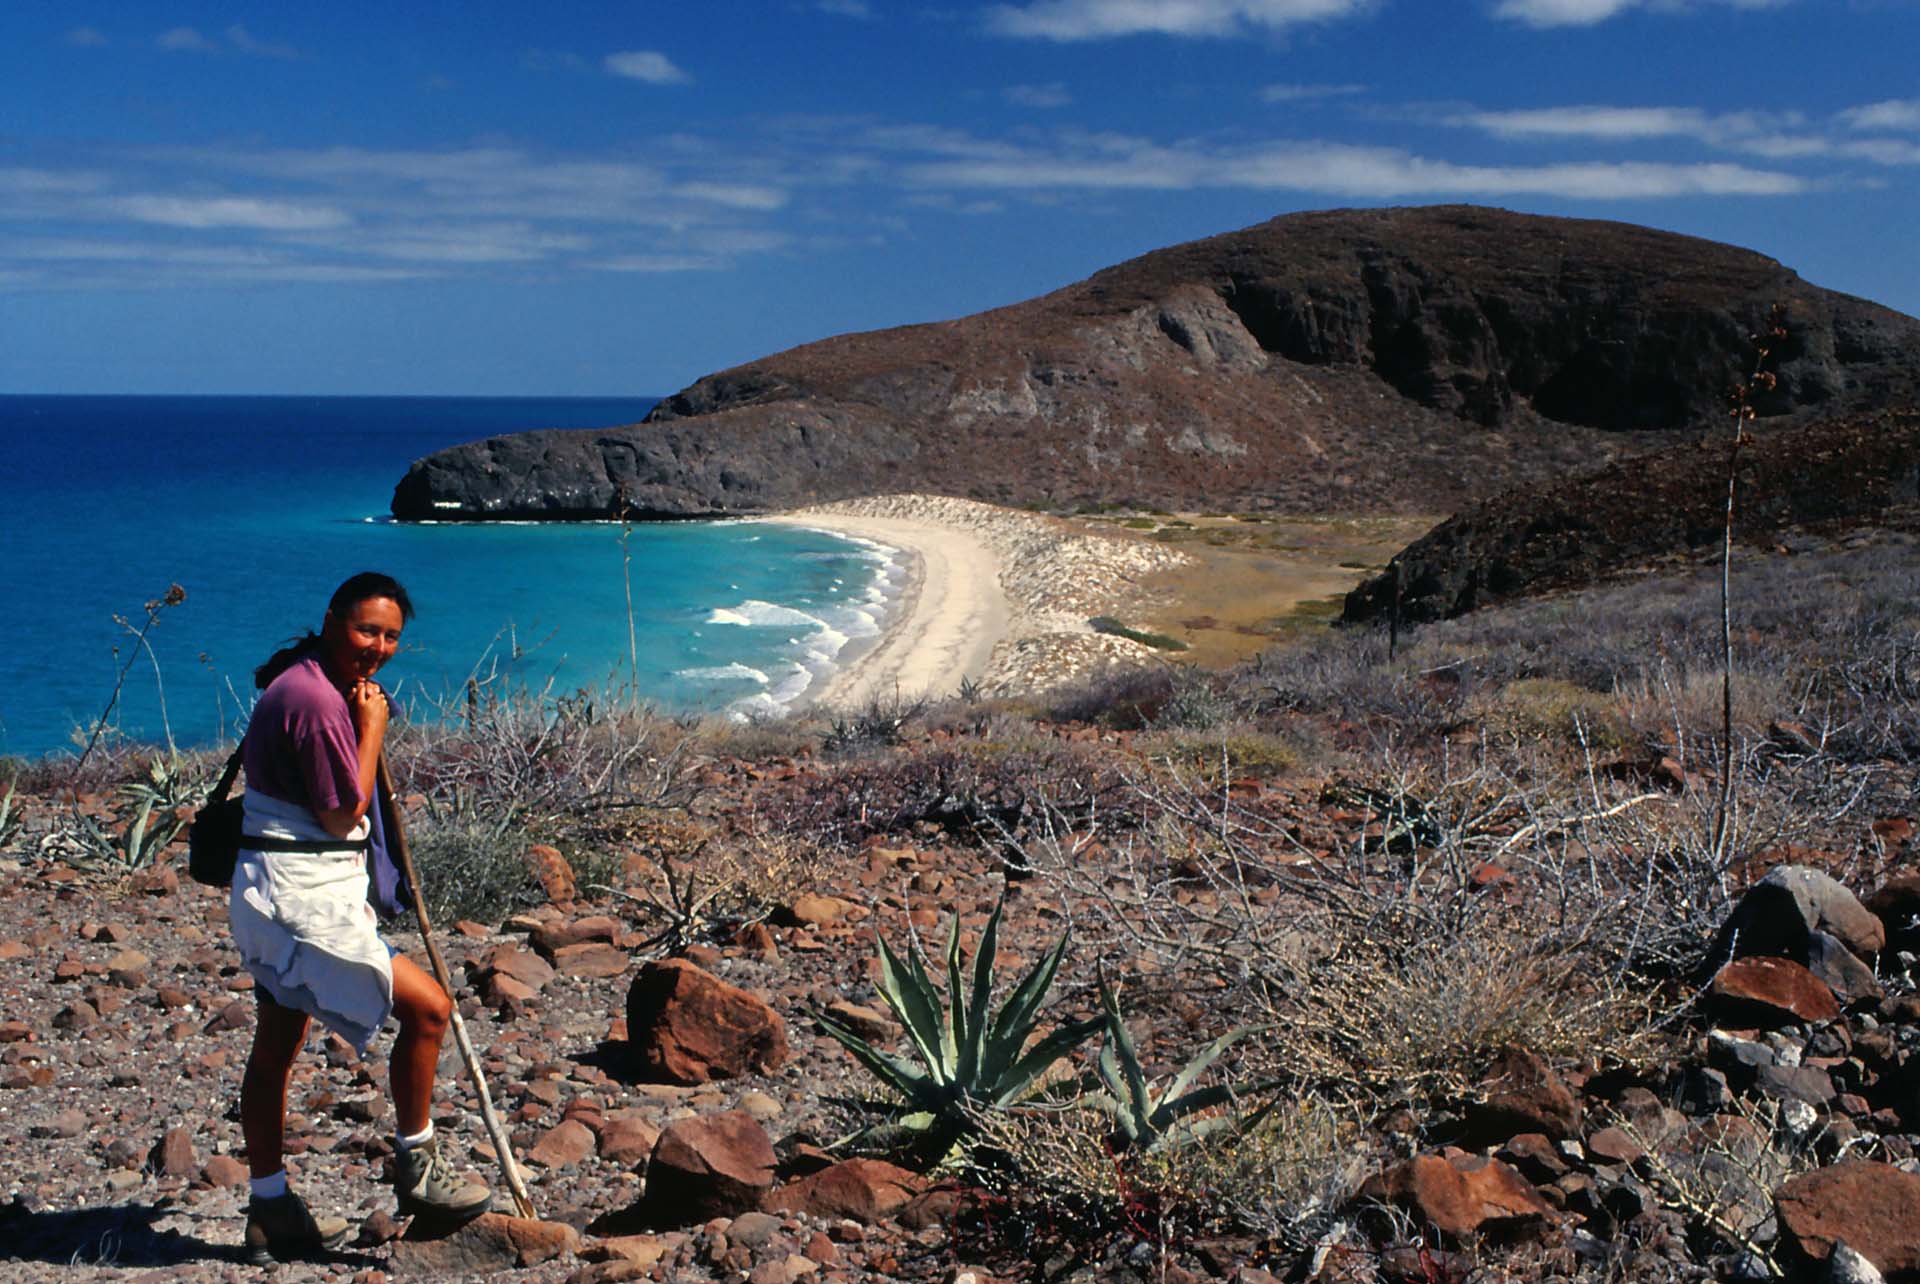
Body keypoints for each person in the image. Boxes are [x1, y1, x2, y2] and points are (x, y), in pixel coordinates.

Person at [230, 572, 491, 1265]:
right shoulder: (315, 700)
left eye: (391, 636)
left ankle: (269, 1207)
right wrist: (371, 729)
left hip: (279, 889)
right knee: (430, 1010)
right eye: (366, 630)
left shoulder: (306, 677)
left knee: (276, 1048)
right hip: (299, 900)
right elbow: (343, 813)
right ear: (331, 620)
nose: (378, 647)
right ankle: (419, 1169)